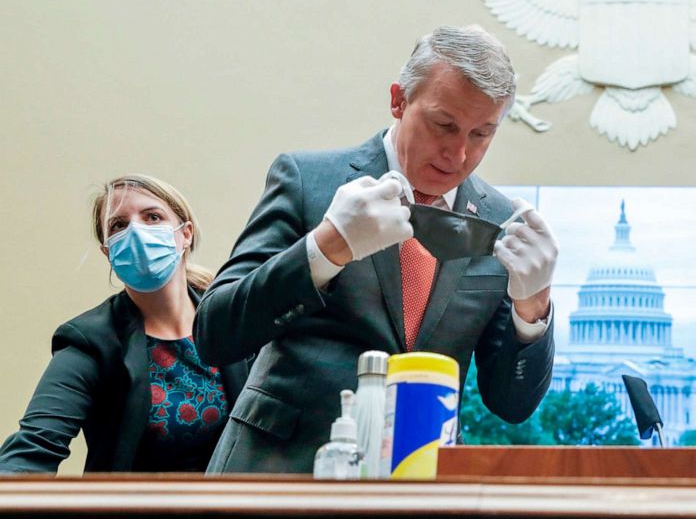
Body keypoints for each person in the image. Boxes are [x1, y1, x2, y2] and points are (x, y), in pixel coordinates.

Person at [194, 24, 559, 473]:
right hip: (279, 472)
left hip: (419, 485)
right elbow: (214, 333)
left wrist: (533, 310)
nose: (458, 154)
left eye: (481, 134)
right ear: (399, 100)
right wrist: (325, 248)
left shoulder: (500, 221)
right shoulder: (309, 180)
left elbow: (512, 404)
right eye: (444, 124)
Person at [0, 175, 249, 473]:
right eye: (119, 225)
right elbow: (33, 447)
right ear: (108, 251)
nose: (136, 231)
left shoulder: (235, 318)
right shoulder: (91, 341)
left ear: (186, 234)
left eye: (152, 217)